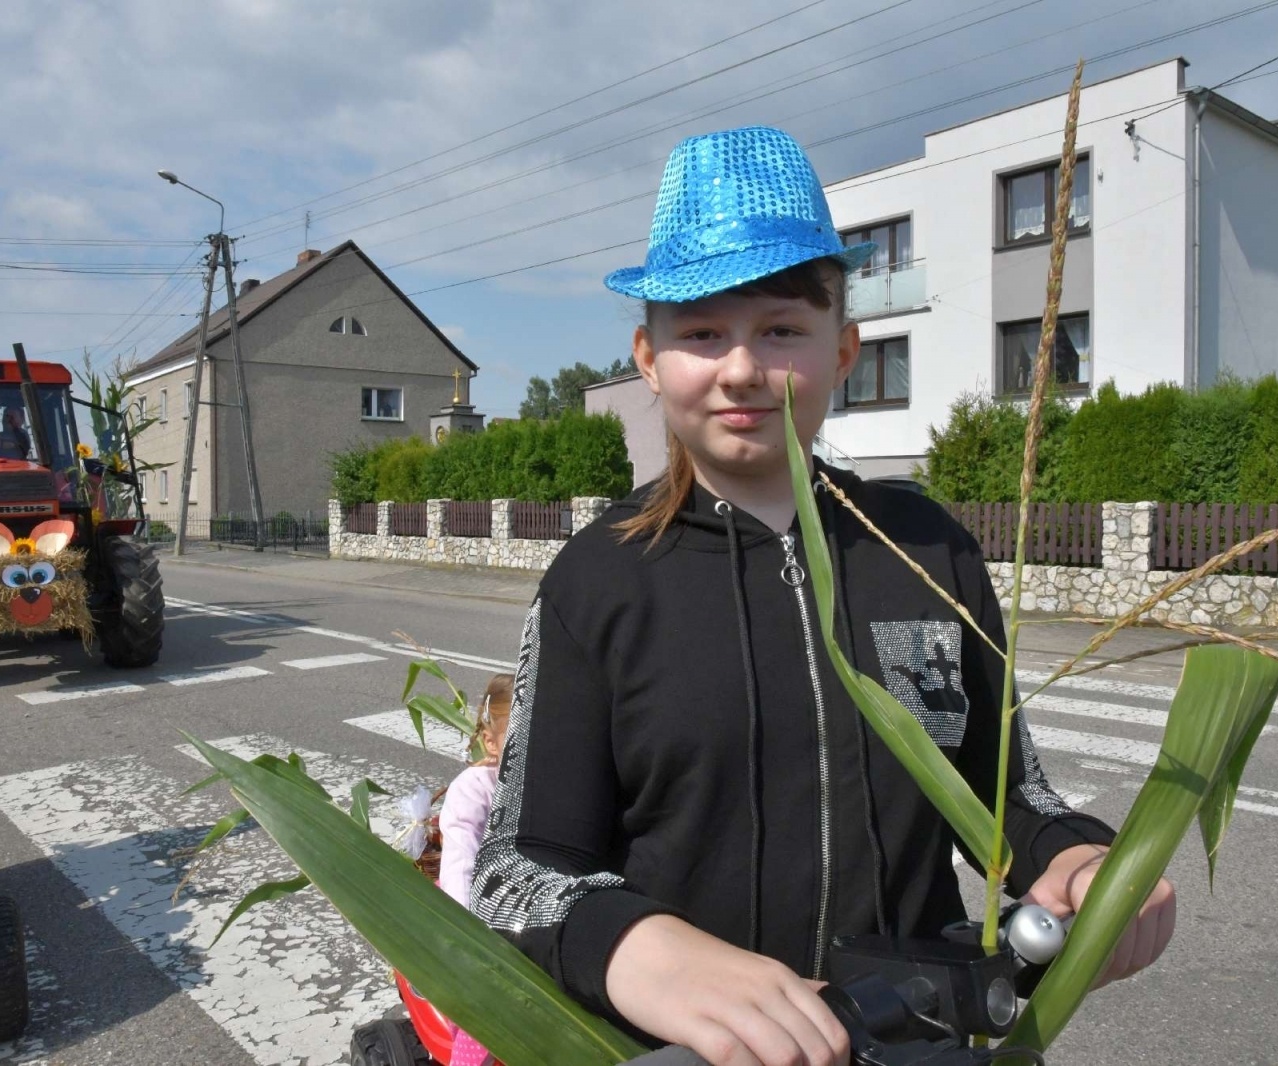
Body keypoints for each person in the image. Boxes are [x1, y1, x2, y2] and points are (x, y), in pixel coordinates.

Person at [470, 126, 1175, 1066]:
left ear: (843, 349)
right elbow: (520, 871)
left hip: (920, 1031)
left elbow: (1009, 794)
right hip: (686, 1049)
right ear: (649, 356)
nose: (742, 368)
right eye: (702, 331)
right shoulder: (597, 578)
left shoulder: (927, 550)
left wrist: (1082, 860)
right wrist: (648, 956)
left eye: (782, 330)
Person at [436, 673, 513, 1066]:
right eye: (521, 743)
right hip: (488, 927)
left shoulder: (556, 786)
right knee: (484, 1021)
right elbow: (460, 863)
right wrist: (474, 937)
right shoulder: (476, 789)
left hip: (536, 919)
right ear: (492, 741)